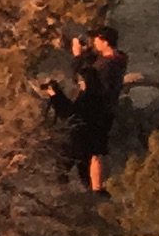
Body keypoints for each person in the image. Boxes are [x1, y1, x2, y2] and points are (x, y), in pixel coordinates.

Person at [37, 27, 130, 191]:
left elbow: (89, 77)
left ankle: (77, 189)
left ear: (104, 40)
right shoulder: (117, 60)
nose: (93, 42)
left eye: (96, 39)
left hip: (93, 111)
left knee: (73, 150)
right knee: (92, 153)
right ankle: (95, 190)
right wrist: (86, 55)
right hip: (102, 111)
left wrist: (79, 56)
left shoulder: (107, 66)